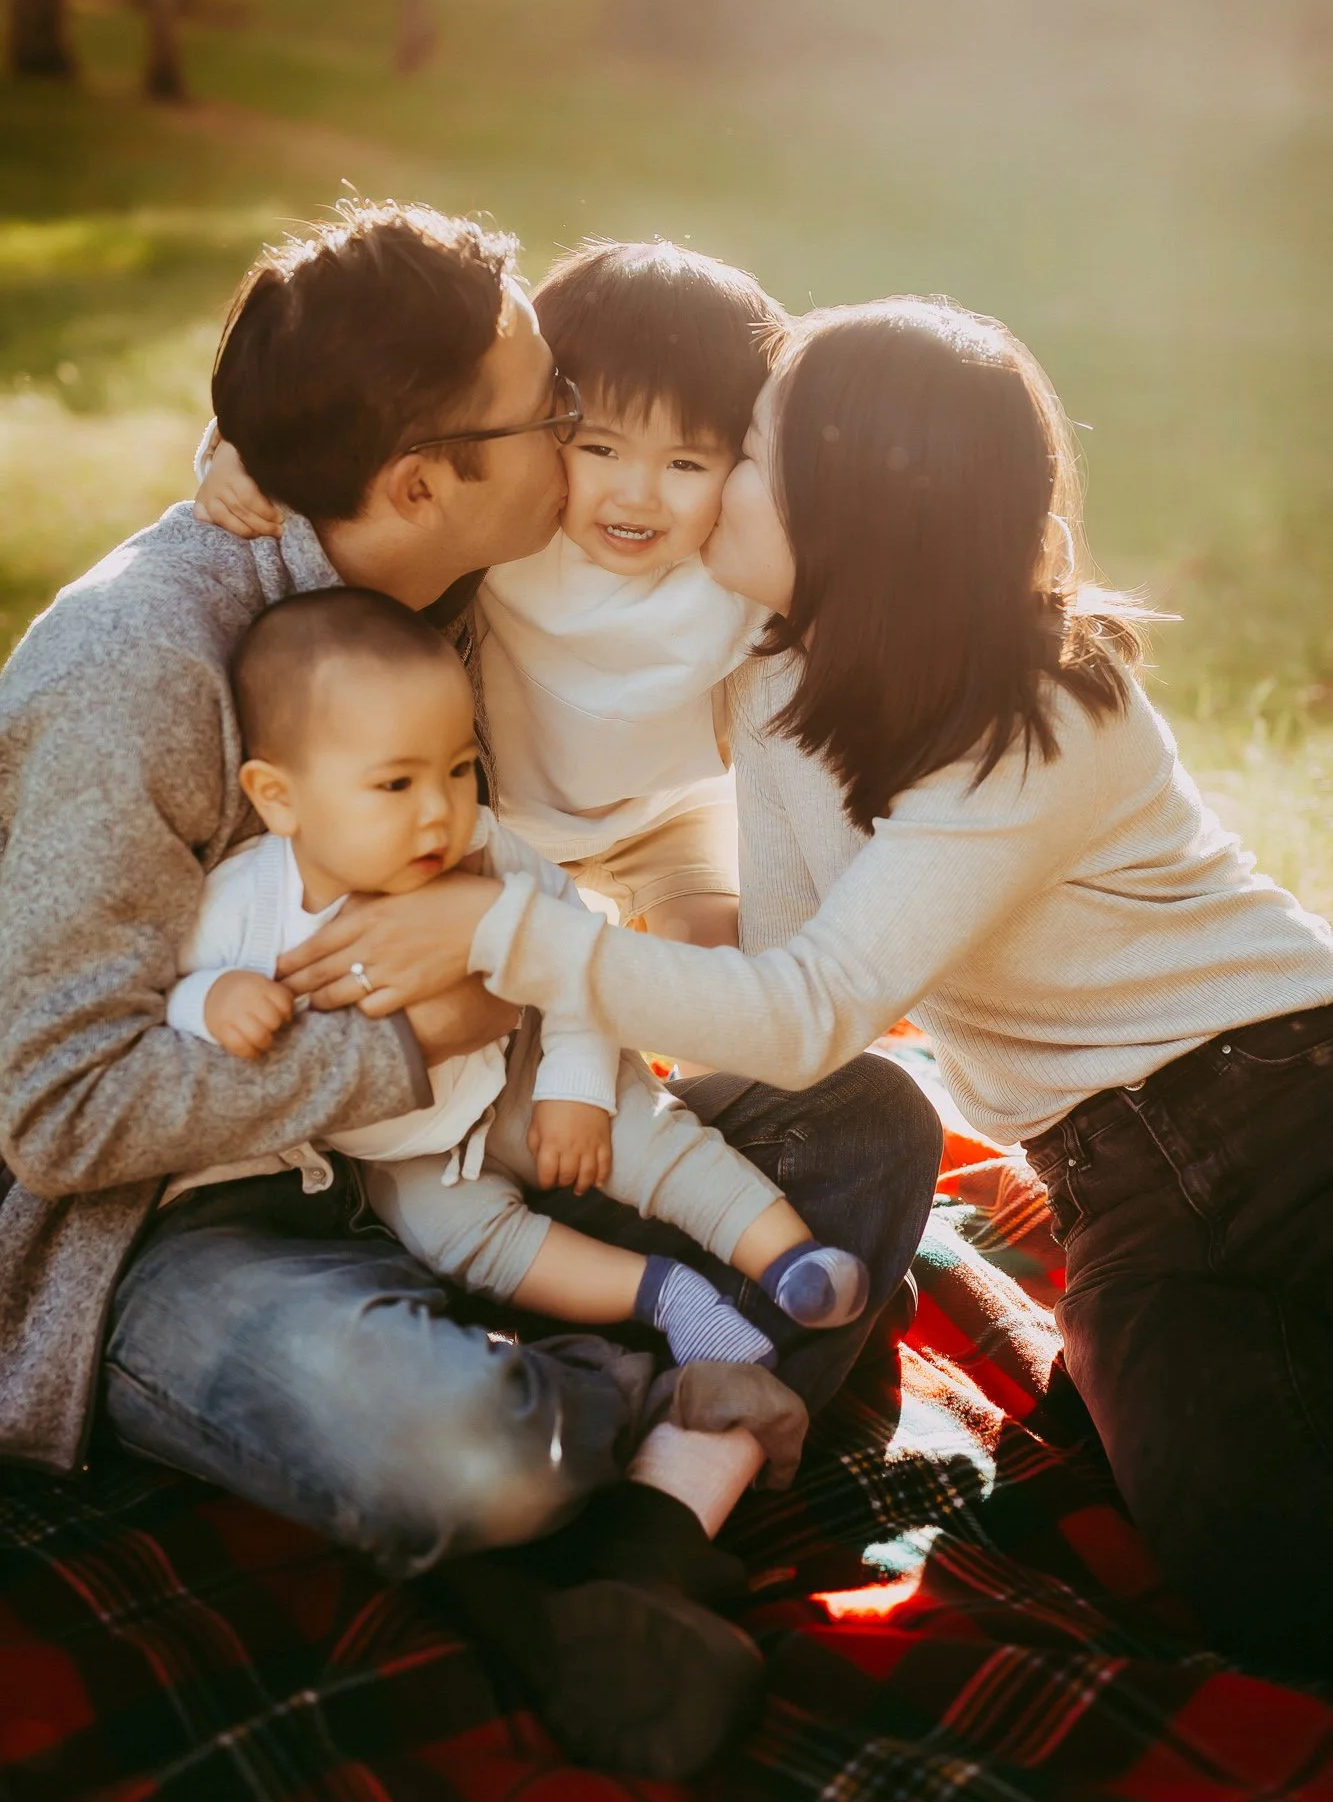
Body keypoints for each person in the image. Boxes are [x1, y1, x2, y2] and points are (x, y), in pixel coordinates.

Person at [0, 205, 943, 1779]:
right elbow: (53, 1113)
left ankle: (628, 1528)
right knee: (467, 1453)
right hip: (178, 1227)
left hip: (470, 1136)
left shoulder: (443, 576)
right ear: (427, 477)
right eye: (552, 410)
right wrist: (418, 1035)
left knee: (867, 1120)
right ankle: (622, 1466)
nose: (580, 436)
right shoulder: (138, 671)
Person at [286, 295, 1333, 1686]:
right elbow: (569, 393)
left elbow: (805, 1013)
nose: (714, 484)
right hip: (1117, 1187)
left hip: (1277, 1094)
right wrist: (259, 472)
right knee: (1263, 1578)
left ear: (853, 512)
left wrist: (511, 941)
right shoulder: (780, 669)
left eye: (753, 456)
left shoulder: (1044, 706)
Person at [169, 585, 870, 1362]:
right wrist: (214, 998)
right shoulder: (240, 904)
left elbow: (572, 947)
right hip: (406, 1152)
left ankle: (786, 1257)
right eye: (396, 784)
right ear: (279, 797)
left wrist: (573, 1086)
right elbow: (175, 1000)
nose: (438, 809)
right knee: (465, 1241)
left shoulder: (478, 844)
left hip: (526, 1061)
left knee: (650, 1139)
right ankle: (666, 1296)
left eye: (460, 768)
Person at [196, 237, 790, 950]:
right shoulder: (515, 538)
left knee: (713, 962)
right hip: (491, 820)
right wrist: (232, 449)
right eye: (599, 448)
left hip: (661, 820)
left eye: (687, 462)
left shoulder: (732, 566)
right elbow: (339, 434)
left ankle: (692, 1059)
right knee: (485, 978)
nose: (637, 497)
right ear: (552, 421)